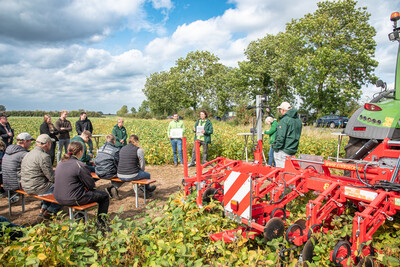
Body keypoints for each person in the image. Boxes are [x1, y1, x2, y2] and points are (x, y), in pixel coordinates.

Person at [54, 141, 109, 228]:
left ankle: (79, 220)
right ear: (80, 152)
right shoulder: (79, 165)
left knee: (79, 192)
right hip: (72, 198)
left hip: (58, 196)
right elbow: (91, 185)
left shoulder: (60, 163)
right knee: (104, 196)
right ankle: (101, 223)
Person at [20, 134, 62, 218]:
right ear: (47, 144)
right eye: (50, 143)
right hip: (36, 187)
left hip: (25, 185)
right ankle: (51, 210)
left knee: (48, 185)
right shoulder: (44, 156)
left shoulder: (28, 154)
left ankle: (44, 207)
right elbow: (51, 177)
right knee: (63, 189)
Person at [2, 133, 34, 203]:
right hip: (16, 184)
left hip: (6, 182)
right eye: (30, 142)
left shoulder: (8, 151)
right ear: (25, 141)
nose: (30, 144)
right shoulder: (23, 154)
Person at [273, 102, 302, 168]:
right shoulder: (298, 120)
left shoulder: (284, 120)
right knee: (289, 171)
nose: (280, 111)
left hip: (283, 150)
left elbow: (281, 137)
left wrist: (276, 148)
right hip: (292, 150)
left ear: (283, 110)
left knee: (281, 172)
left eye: (280, 110)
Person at [94, 134, 122, 199]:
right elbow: (118, 164)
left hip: (98, 172)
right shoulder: (115, 150)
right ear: (114, 141)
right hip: (109, 173)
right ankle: (113, 187)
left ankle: (113, 188)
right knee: (124, 174)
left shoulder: (100, 148)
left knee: (111, 168)